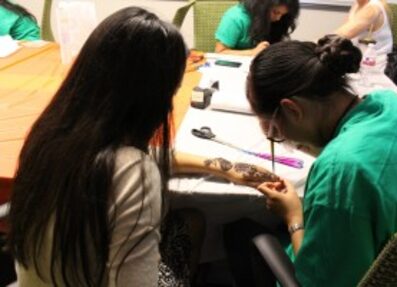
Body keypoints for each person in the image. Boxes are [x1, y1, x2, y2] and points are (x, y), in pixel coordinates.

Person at [7, 7, 278, 287]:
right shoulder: (133, 172)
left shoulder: (51, 134)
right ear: (153, 96)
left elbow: (142, 155)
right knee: (192, 222)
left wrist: (224, 167)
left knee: (188, 219)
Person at [241, 35, 397, 286]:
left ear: (293, 110)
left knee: (239, 232)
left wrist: (294, 217)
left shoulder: (339, 172)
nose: (284, 139)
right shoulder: (392, 104)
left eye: (276, 131)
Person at [214, 0, 299, 56]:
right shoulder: (235, 18)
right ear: (262, 6)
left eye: (283, 14)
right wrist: (252, 52)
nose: (278, 19)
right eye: (276, 12)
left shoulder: (279, 20)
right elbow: (220, 52)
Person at [335, 0, 392, 70]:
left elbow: (339, 37)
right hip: (357, 59)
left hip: (373, 65)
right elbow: (341, 33)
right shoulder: (356, 5)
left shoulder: (372, 8)